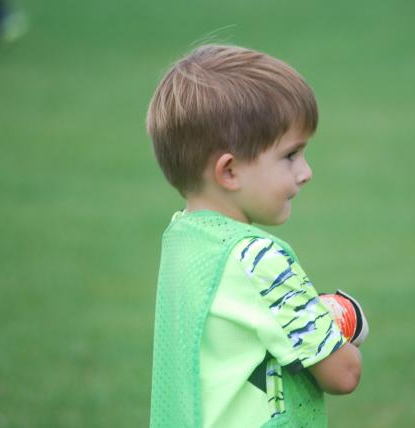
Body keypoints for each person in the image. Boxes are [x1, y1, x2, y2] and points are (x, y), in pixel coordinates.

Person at [146, 44, 369, 428]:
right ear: (229, 172)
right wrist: (342, 320)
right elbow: (343, 374)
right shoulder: (258, 260)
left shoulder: (183, 240)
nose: (306, 172)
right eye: (290, 155)